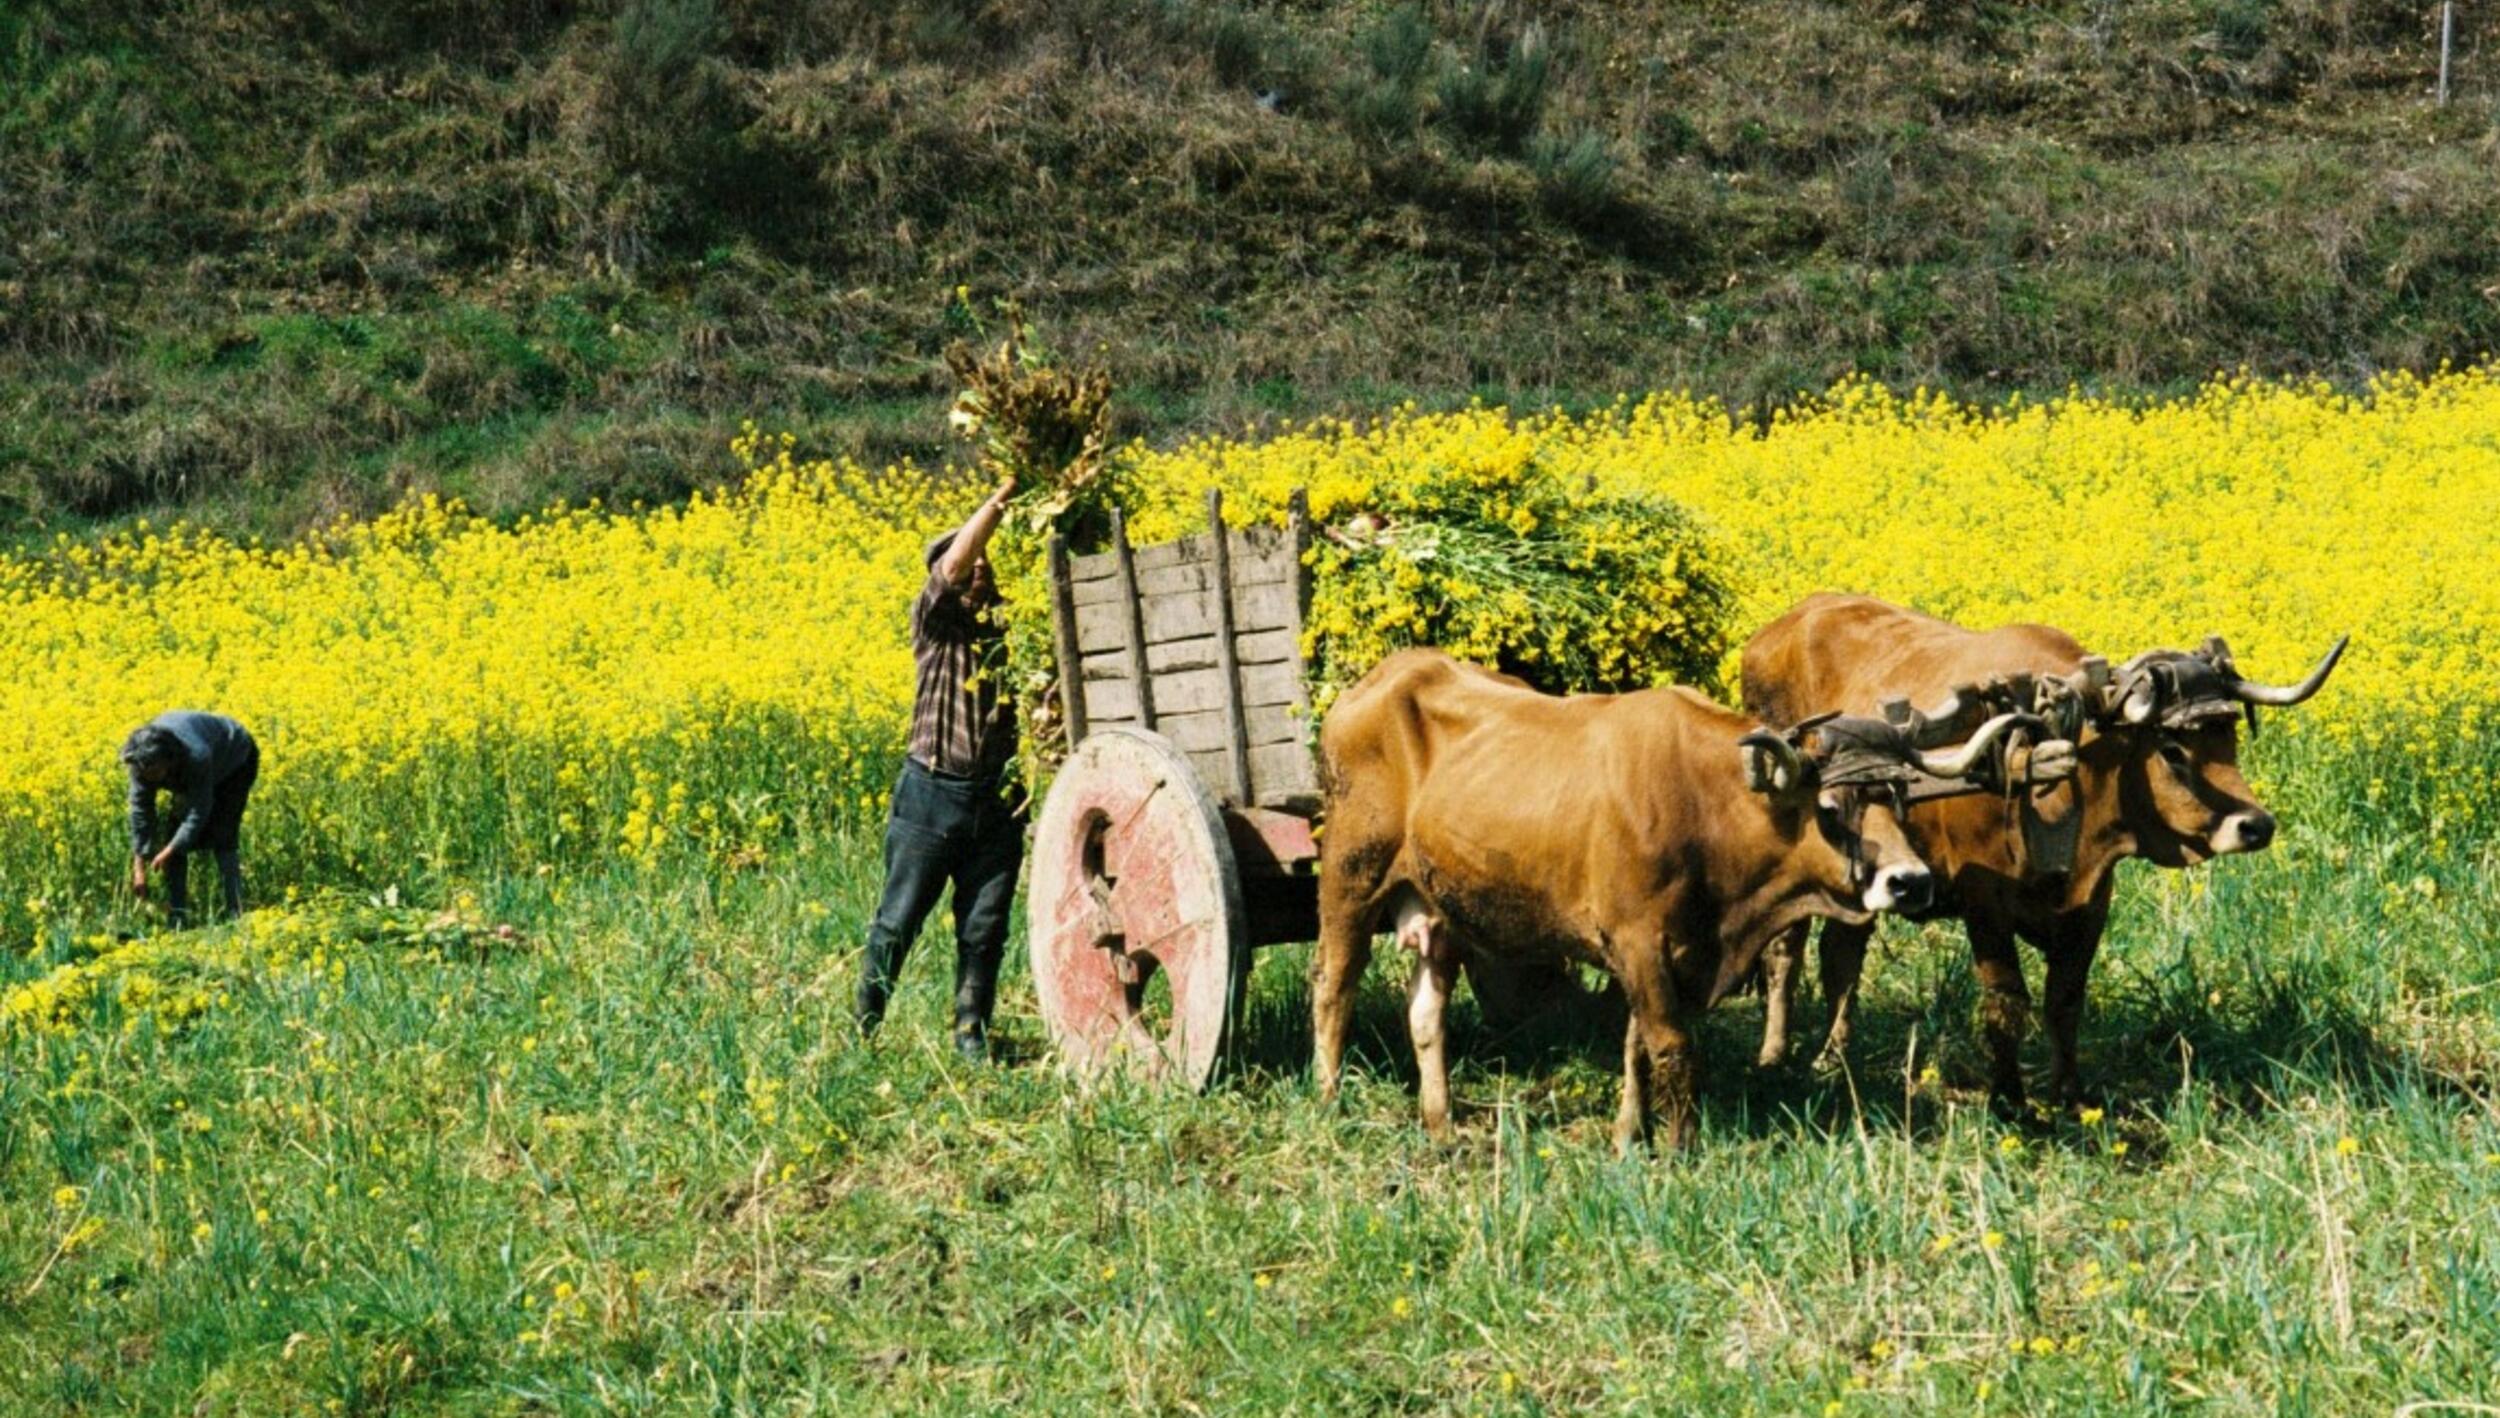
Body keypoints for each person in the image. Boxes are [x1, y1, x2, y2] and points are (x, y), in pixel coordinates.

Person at [856, 475, 1026, 1061]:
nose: (979, 572)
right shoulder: (934, 621)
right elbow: (953, 567)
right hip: (931, 794)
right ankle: (866, 1028)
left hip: (997, 803)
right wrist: (1002, 499)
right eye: (972, 564)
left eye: (988, 567)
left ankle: (970, 1032)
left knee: (984, 928)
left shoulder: (1015, 638)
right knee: (898, 922)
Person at [122, 710, 261, 926]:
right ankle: (178, 917)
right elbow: (140, 813)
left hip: (235, 759)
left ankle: (236, 912)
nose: (150, 779)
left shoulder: (196, 756)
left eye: (155, 773)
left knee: (223, 834)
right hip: (199, 759)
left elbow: (198, 811)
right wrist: (139, 867)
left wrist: (168, 850)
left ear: (169, 761)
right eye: (145, 774)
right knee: (174, 838)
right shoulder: (140, 763)